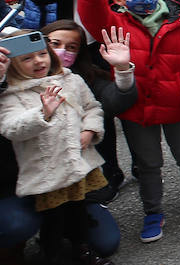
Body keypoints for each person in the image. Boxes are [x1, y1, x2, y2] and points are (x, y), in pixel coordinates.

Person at [74, 0, 180, 242]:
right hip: (137, 108)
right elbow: (91, 13)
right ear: (118, 1)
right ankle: (153, 211)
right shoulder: (115, 24)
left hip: (175, 103)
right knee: (148, 164)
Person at [0, 33, 116, 265]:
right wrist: (42, 113)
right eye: (26, 58)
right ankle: (55, 263)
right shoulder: (9, 95)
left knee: (78, 211)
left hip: (77, 164)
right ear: (11, 64)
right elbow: (11, 128)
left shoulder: (70, 79)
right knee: (53, 220)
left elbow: (92, 107)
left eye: (41, 53)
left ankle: (82, 251)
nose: (38, 61)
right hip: (45, 172)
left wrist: (90, 130)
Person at [41, 22, 136, 205]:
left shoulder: (85, 77)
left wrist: (123, 70)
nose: (61, 51)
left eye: (71, 47)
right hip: (38, 171)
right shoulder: (17, 78)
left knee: (104, 234)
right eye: (55, 43)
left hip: (79, 167)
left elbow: (112, 102)